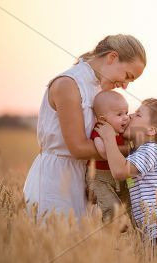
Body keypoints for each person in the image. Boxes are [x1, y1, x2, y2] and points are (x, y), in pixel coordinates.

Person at [23, 34, 146, 219]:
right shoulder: (68, 84)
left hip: (82, 178)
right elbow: (79, 147)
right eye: (127, 76)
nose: (125, 85)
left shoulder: (99, 89)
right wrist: (133, 153)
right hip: (56, 180)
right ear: (112, 57)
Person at [94, 98, 157, 245]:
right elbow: (110, 158)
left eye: (138, 115)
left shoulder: (151, 150)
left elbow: (119, 171)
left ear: (151, 130)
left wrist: (108, 136)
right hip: (155, 232)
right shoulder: (137, 152)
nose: (129, 116)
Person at [86, 91, 131, 223]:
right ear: (102, 120)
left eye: (126, 113)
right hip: (99, 178)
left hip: (118, 176)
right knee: (109, 203)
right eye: (119, 114)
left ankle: (139, 225)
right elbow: (103, 152)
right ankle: (113, 223)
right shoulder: (100, 131)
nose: (125, 118)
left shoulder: (123, 132)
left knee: (131, 201)